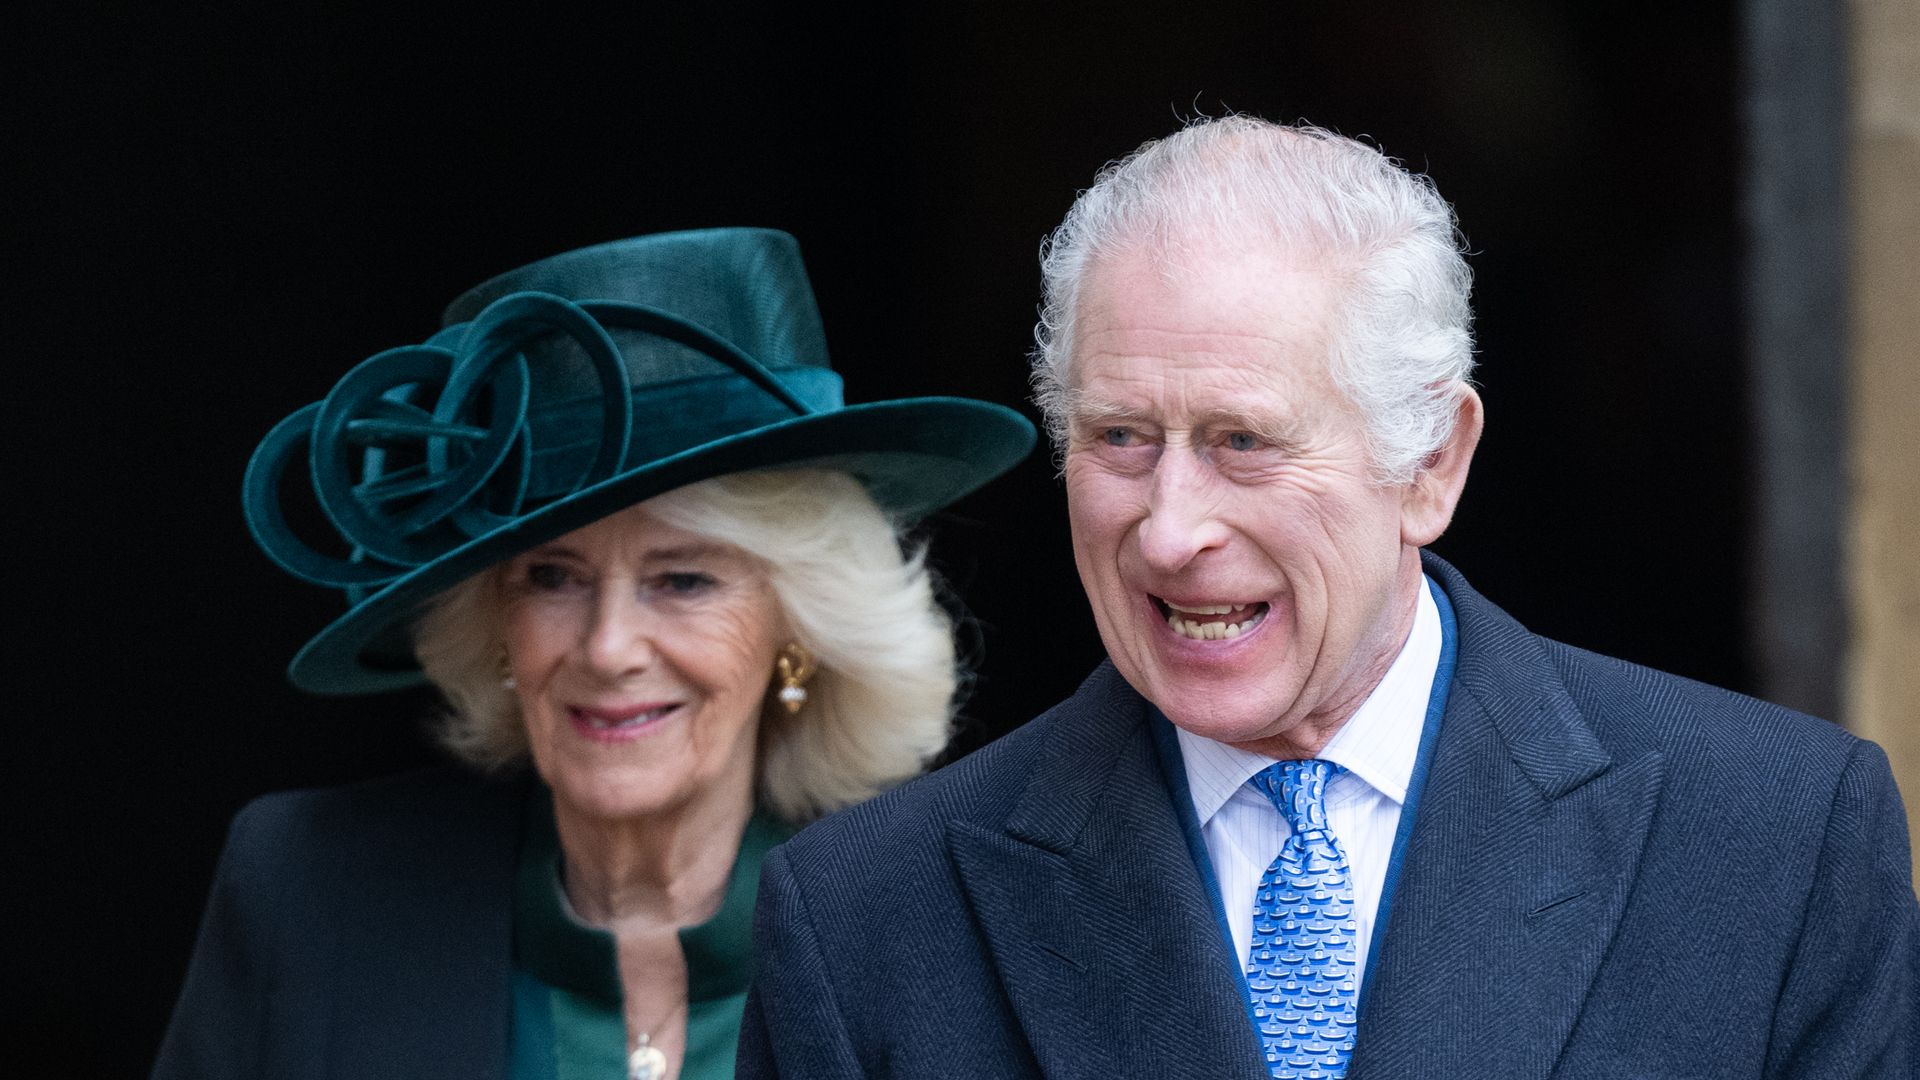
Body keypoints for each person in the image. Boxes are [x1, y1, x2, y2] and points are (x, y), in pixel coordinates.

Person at [738, 118, 1918, 1078]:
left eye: (1243, 440)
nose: (1171, 527)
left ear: (1431, 464)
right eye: (1120, 439)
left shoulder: (1777, 844)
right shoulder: (868, 921)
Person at [151, 228, 1035, 1080]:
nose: (609, 648)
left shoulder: (945, 943)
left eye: (683, 579)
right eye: (552, 578)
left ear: (797, 629)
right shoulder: (308, 897)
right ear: (494, 621)